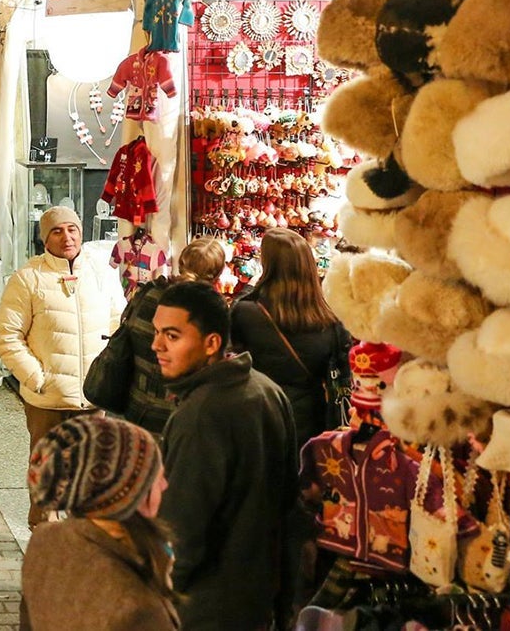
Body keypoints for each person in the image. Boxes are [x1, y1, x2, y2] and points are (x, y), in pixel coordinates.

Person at [152, 280, 296, 631]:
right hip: (260, 597)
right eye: (157, 333)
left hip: (207, 607)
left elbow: (181, 528)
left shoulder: (201, 415)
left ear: (212, 343)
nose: (156, 345)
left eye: (172, 336)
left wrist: (158, 597)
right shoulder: (266, 390)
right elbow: (289, 501)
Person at [0, 205, 124, 525]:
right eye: (57, 231)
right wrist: (37, 378)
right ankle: (43, 536)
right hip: (47, 399)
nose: (67, 236)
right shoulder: (28, 279)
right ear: (45, 239)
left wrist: (107, 374)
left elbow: (118, 323)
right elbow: (6, 336)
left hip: (91, 396)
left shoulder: (100, 273)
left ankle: (82, 538)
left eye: (72, 229)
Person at [19, 416, 178, 631]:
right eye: (156, 477)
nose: (165, 484)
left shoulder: (44, 539)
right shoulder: (140, 609)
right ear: (127, 494)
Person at [230, 227, 351, 442]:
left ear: (268, 267)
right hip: (312, 423)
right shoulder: (331, 321)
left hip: (258, 418)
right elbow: (341, 378)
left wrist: (251, 286)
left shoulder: (246, 314)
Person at [112, 236, 226, 434]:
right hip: (181, 419)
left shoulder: (149, 293)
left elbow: (129, 332)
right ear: (218, 273)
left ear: (181, 262)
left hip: (137, 409)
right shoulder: (209, 312)